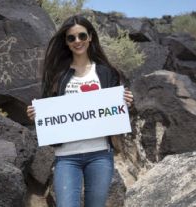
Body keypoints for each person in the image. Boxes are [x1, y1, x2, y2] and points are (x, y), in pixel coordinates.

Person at [26, 15, 134, 207]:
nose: (77, 41)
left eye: (81, 36)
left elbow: (115, 110)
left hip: (100, 154)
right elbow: (48, 109)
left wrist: (126, 102)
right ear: (66, 42)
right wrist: (36, 114)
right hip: (66, 158)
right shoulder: (57, 74)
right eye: (71, 38)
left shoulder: (106, 72)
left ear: (90, 37)